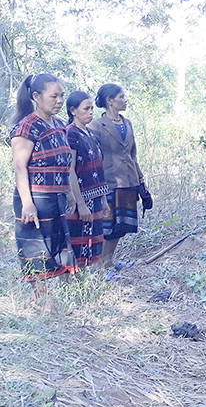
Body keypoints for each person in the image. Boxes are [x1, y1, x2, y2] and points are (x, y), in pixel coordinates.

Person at [9, 74, 76, 302]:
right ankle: (41, 301)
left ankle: (65, 298)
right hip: (35, 198)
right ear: (36, 97)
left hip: (56, 197)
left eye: (61, 96)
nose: (59, 101)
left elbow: (65, 163)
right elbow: (20, 167)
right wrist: (27, 203)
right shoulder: (26, 126)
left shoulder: (59, 125)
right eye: (54, 96)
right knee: (36, 251)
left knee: (59, 246)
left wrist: (68, 193)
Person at [87, 84, 145, 269]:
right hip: (108, 181)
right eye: (121, 96)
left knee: (122, 225)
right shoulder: (96, 126)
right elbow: (92, 156)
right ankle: (101, 266)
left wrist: (140, 179)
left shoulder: (127, 123)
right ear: (110, 101)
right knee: (107, 226)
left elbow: (133, 153)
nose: (125, 100)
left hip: (128, 180)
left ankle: (109, 262)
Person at [65, 91, 111, 268]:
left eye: (92, 108)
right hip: (79, 198)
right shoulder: (70, 134)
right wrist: (80, 203)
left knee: (93, 243)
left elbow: (98, 168)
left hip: (96, 198)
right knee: (77, 245)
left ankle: (84, 286)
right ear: (73, 111)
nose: (91, 112)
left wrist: (103, 199)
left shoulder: (92, 135)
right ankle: (73, 288)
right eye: (86, 108)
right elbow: (71, 170)